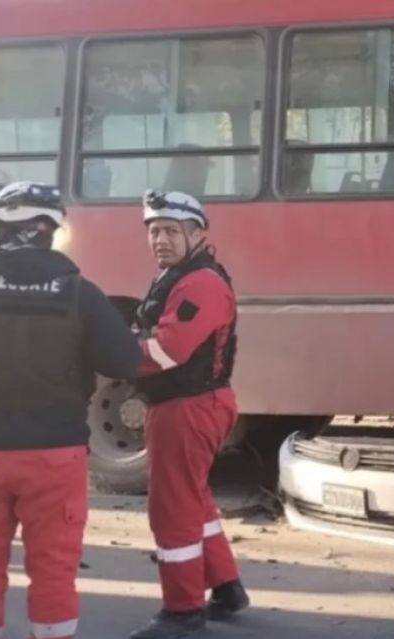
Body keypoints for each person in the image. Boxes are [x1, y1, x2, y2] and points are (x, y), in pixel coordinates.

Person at [0, 182, 140, 639]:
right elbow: (123, 362)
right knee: (54, 572)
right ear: (49, 230)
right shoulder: (81, 294)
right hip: (55, 456)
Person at [129, 190, 248, 639]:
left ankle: (182, 612)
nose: (160, 239)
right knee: (194, 500)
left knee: (171, 509)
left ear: (196, 233)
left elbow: (168, 349)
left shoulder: (199, 282)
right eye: (154, 230)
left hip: (187, 407)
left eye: (171, 231)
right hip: (191, 404)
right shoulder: (181, 275)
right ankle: (226, 588)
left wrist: (115, 352)